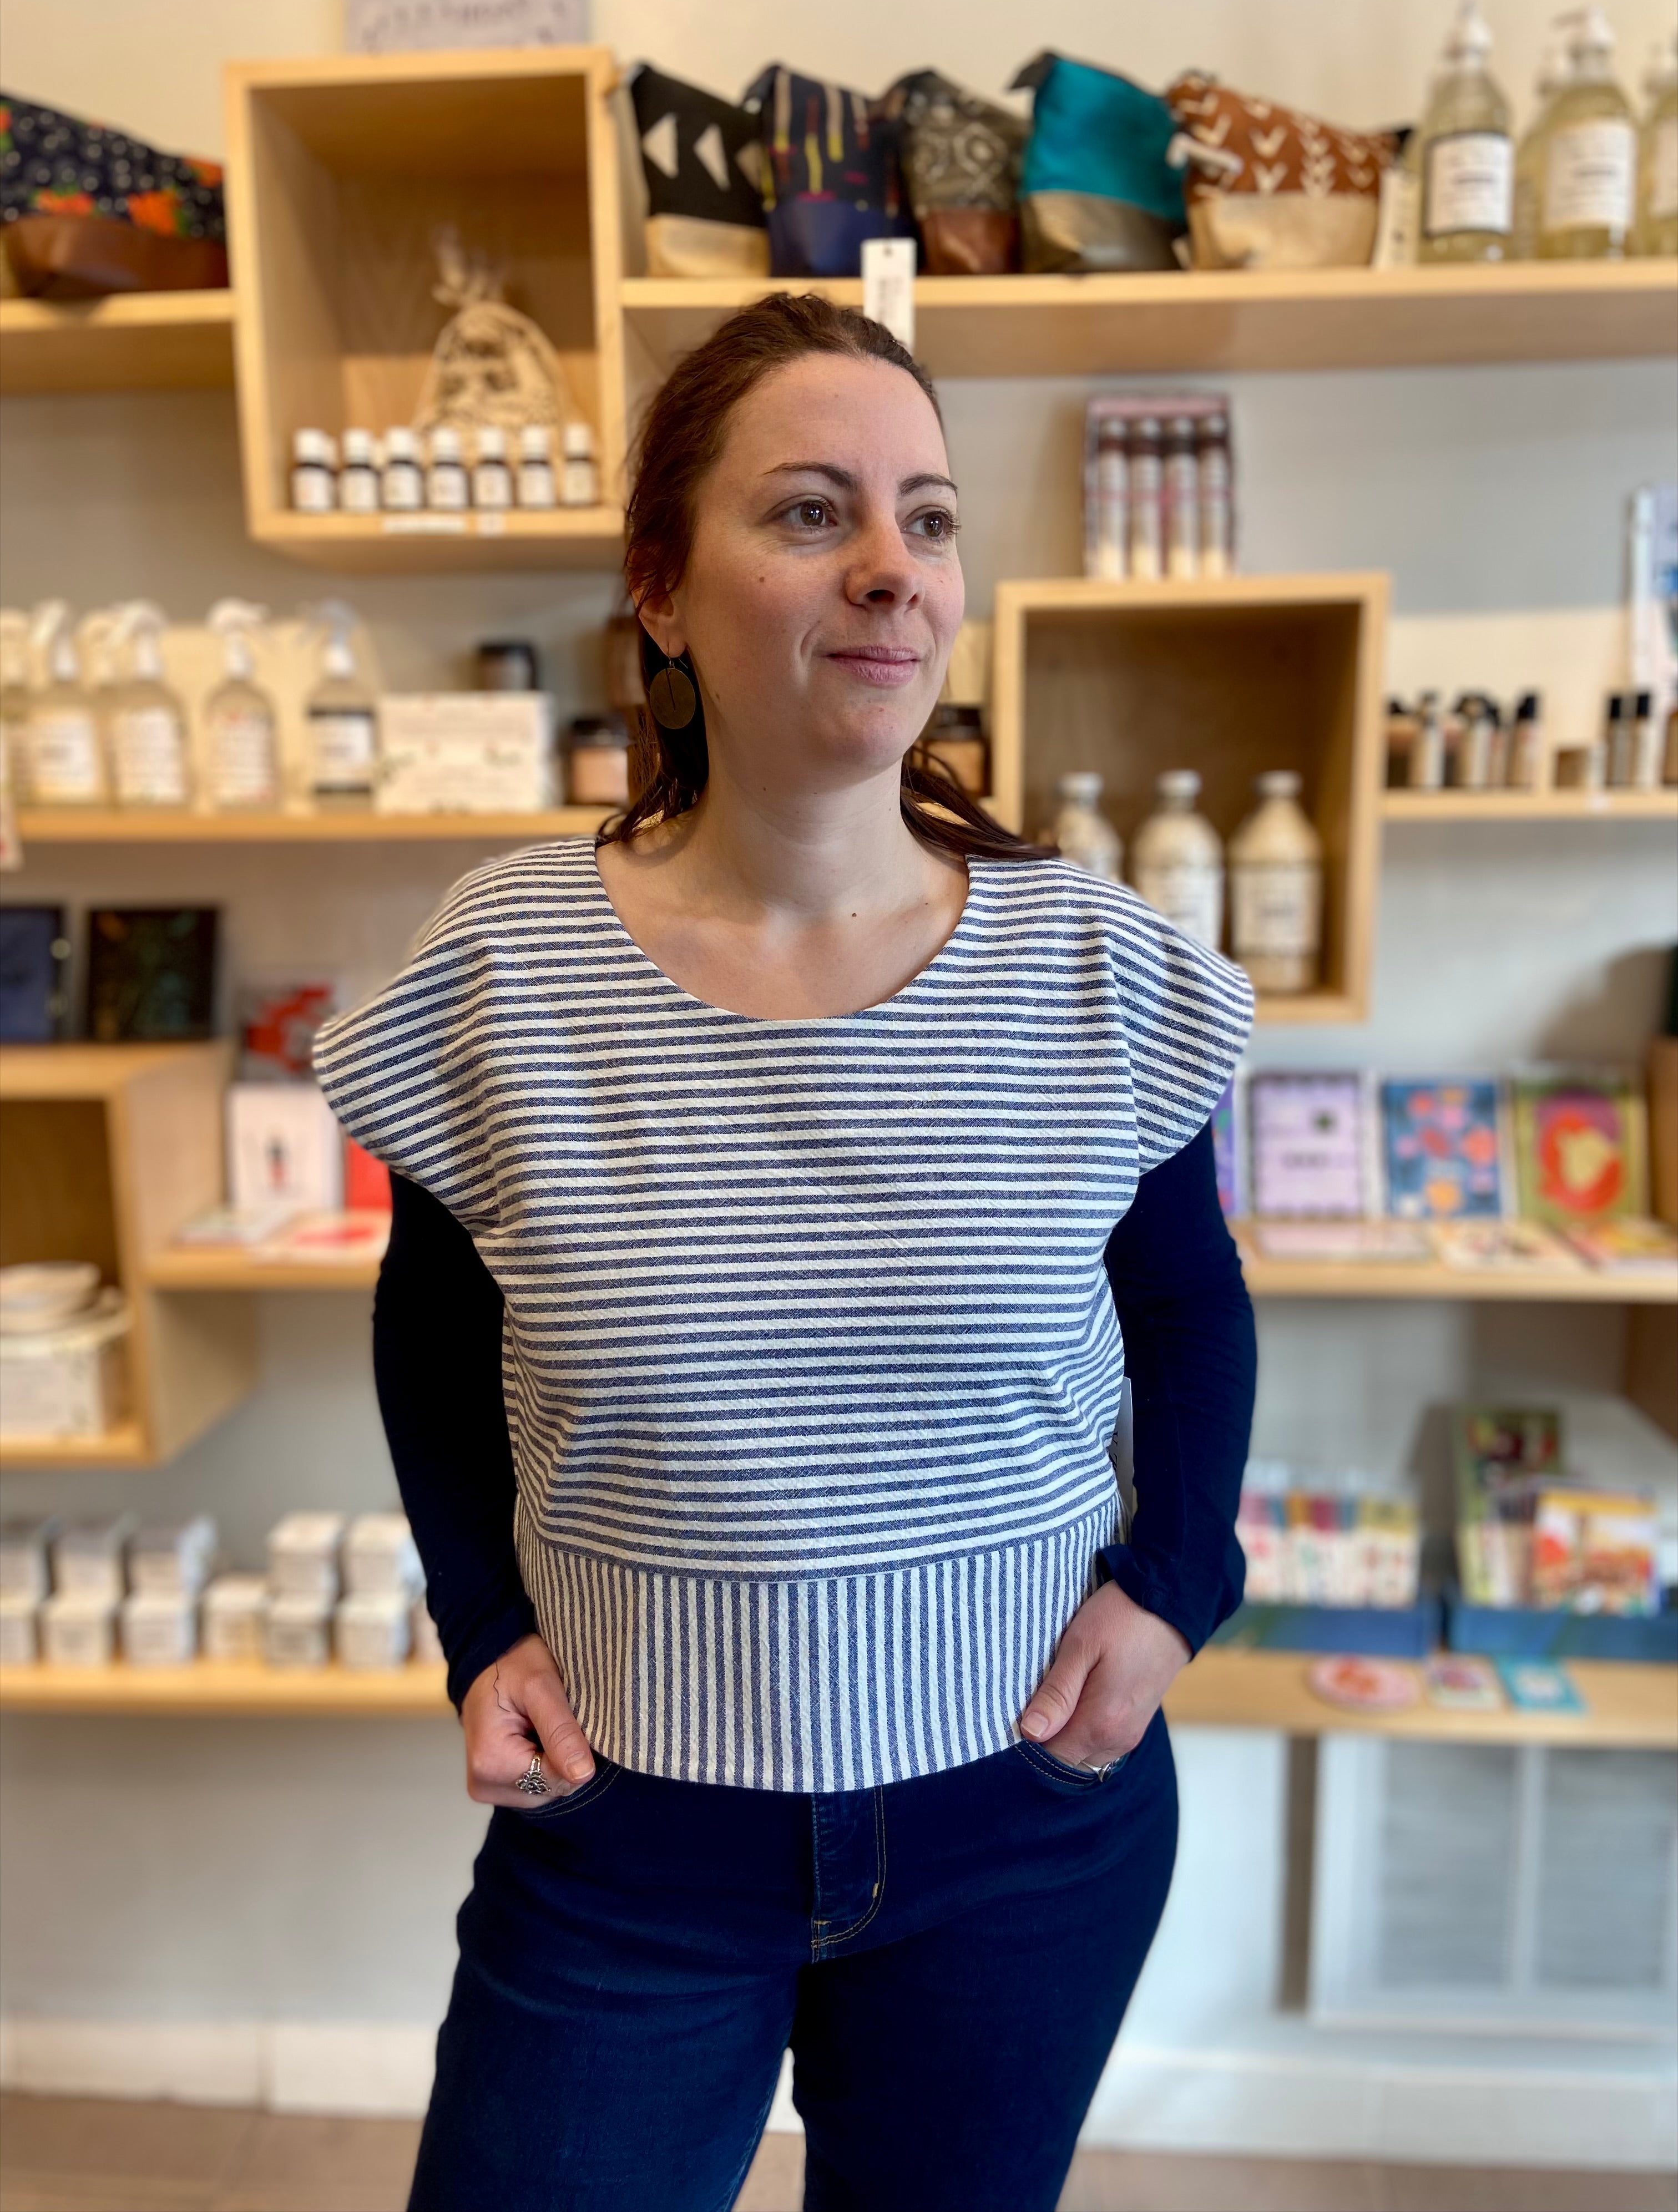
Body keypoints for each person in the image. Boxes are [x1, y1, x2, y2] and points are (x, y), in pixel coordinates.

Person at [315, 293, 1255, 2212]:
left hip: (1023, 1821)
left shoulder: (1093, 967)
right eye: (814, 513)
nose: (894, 568)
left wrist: (1178, 1581)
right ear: (662, 592)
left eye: (930, 518)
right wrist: (479, 1620)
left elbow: (1185, 1303)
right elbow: (433, 1323)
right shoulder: (505, 971)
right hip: (628, 1832)